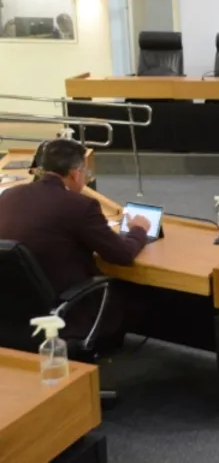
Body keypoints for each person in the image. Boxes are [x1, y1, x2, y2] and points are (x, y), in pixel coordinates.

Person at [0, 139, 150, 346]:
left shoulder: (8, 196)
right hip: (65, 312)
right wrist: (138, 230)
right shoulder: (80, 205)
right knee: (135, 293)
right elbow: (122, 255)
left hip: (13, 311)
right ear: (75, 173)